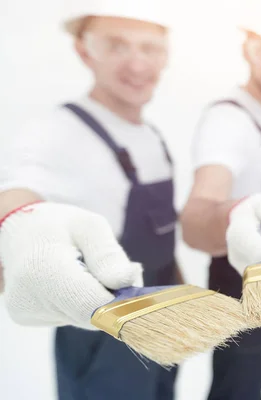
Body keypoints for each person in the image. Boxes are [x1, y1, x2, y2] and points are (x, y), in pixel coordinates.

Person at [0, 1, 181, 398]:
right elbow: (21, 185)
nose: (137, 64)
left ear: (165, 55)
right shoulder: (57, 132)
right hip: (101, 337)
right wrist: (20, 224)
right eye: (117, 45)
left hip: (160, 320)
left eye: (149, 48)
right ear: (85, 50)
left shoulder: (150, 135)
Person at [180, 14, 261, 400]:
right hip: (236, 279)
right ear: (247, 52)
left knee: (250, 381)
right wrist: (231, 214)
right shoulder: (228, 121)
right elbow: (199, 210)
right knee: (236, 385)